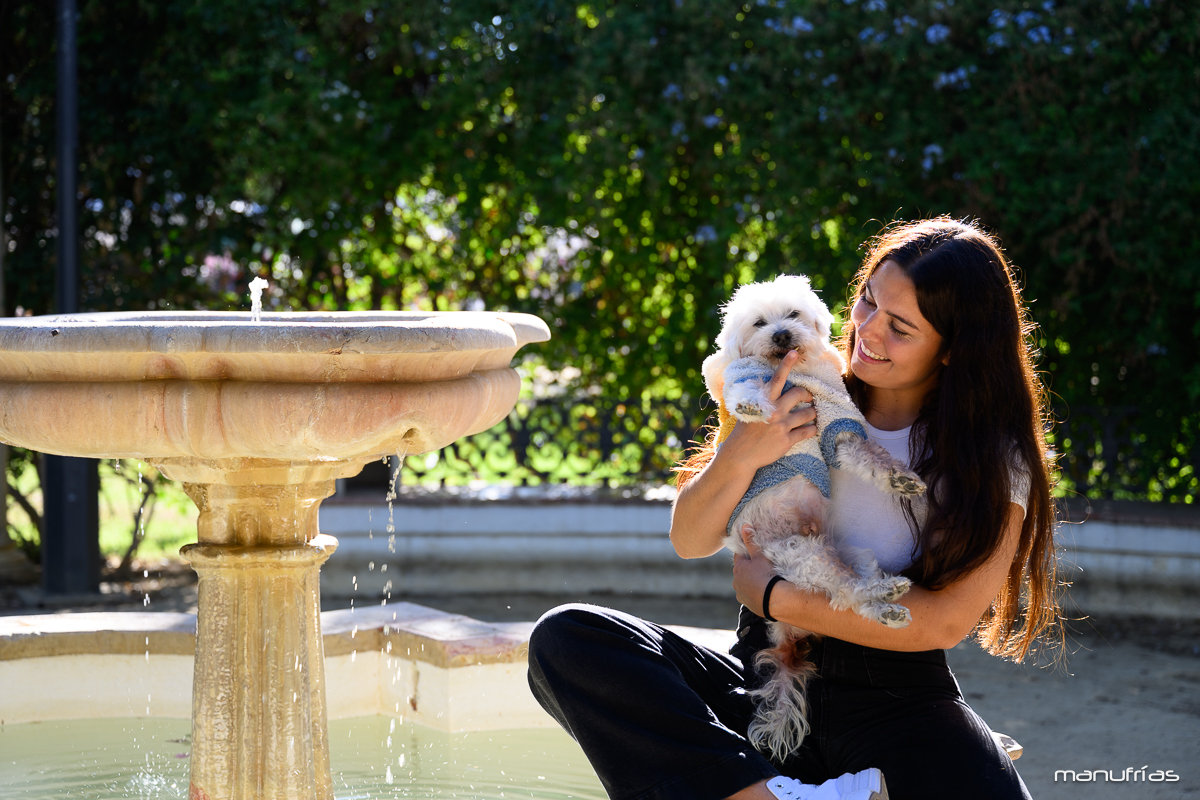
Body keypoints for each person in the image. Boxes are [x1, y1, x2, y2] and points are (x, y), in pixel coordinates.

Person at [527, 217, 1062, 800]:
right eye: (867, 302)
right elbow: (691, 538)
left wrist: (773, 595)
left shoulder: (993, 458)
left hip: (898, 694)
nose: (867, 332)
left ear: (955, 349)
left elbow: (946, 622)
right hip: (762, 675)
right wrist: (739, 453)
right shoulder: (794, 389)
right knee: (569, 639)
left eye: (900, 327)